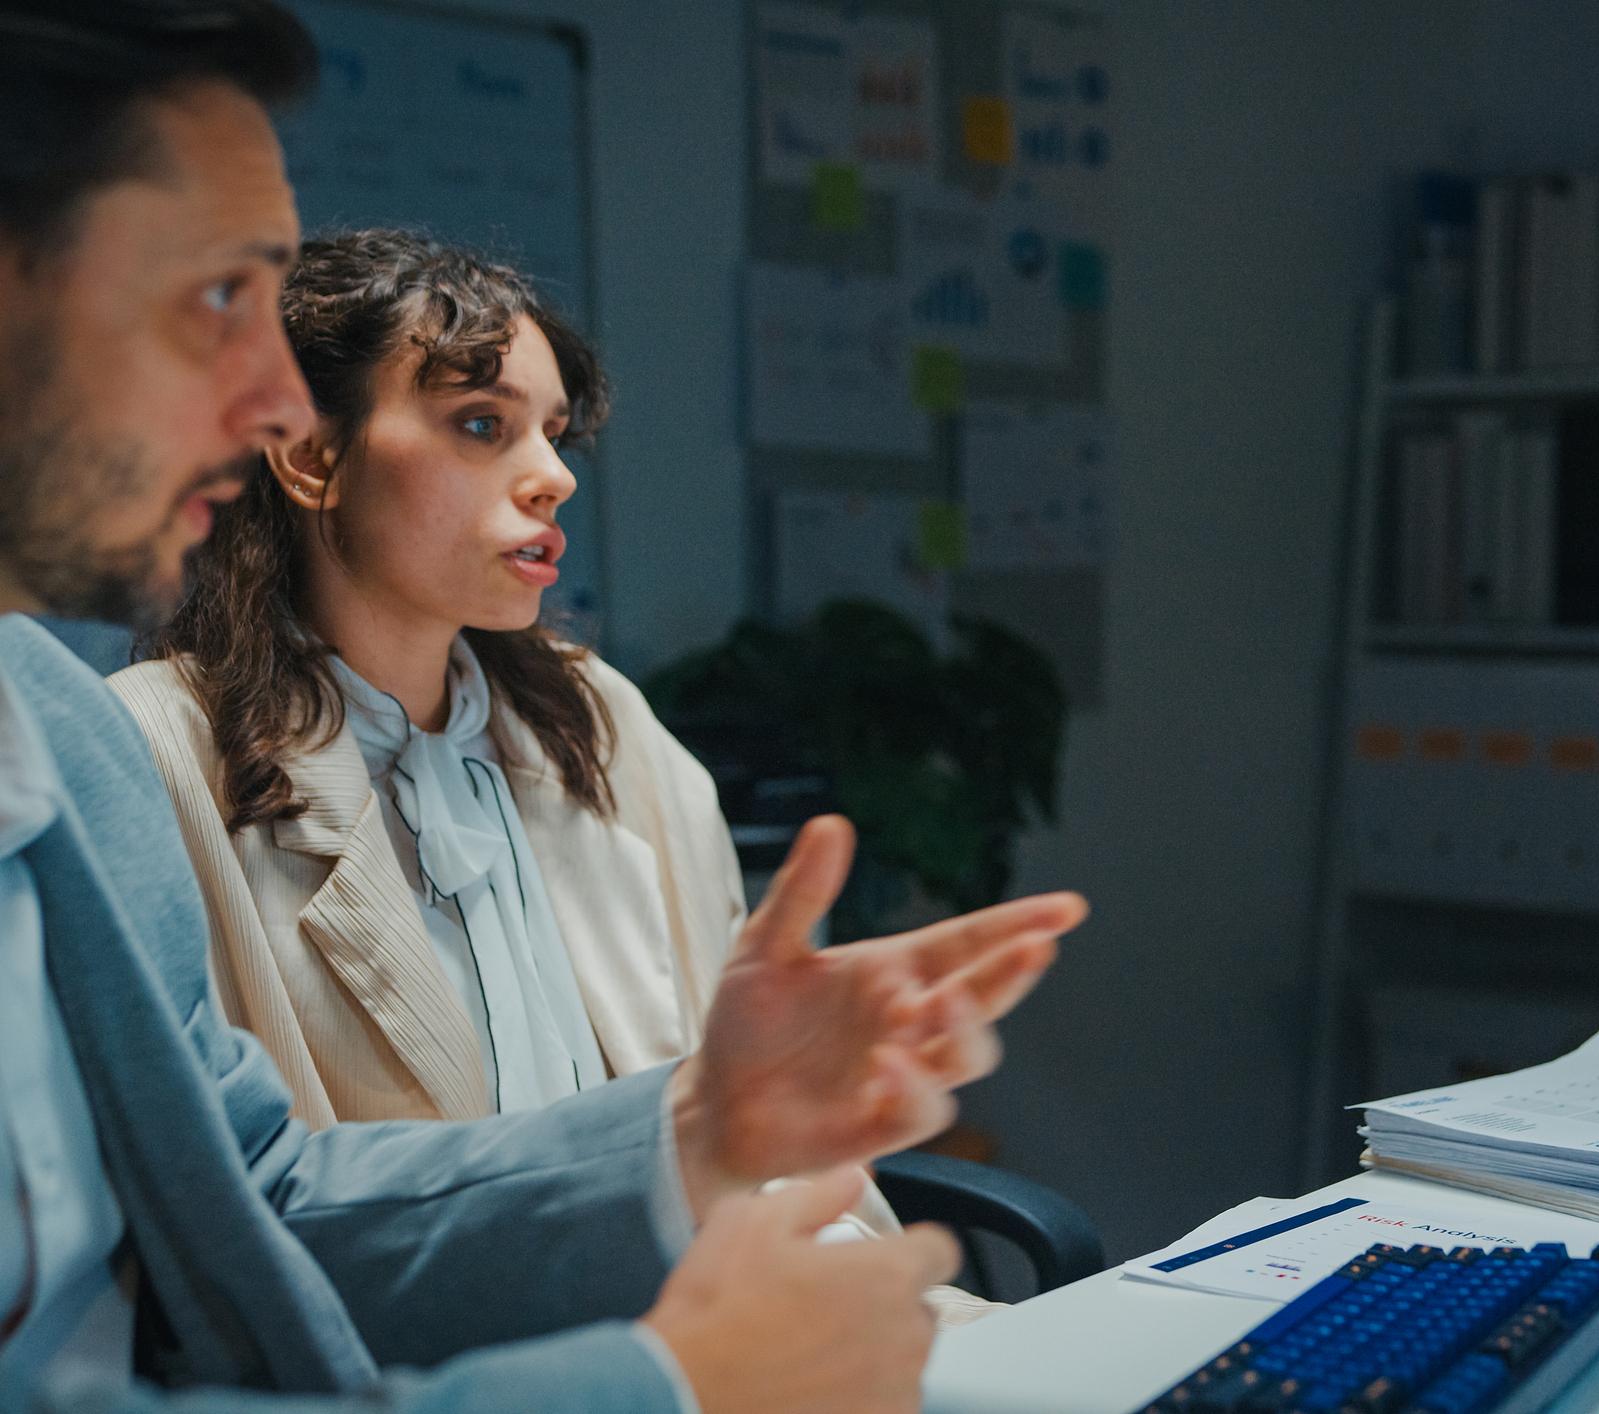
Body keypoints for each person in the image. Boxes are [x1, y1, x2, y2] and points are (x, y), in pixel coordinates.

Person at [0, 3, 1083, 1410]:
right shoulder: (143, 739)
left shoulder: (55, 736)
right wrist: (660, 1384)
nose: (275, 404)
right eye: (219, 298)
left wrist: (703, 1122)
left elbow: (260, 1210)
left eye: (552, 433)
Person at [109, 227, 995, 1322]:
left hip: (713, 1317)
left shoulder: (598, 718)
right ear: (309, 455)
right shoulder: (153, 755)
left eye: (556, 435)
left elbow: (742, 1125)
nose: (556, 476)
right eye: (482, 426)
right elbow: (225, 1248)